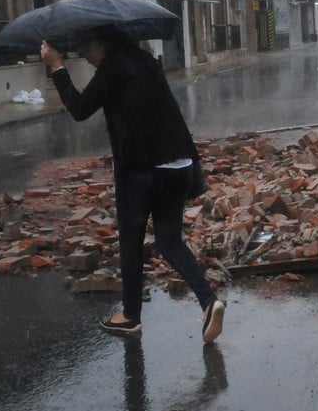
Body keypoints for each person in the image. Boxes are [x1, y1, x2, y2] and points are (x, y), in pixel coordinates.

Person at [40, 26, 225, 343]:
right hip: (178, 164)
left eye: (85, 43)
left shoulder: (114, 65)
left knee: (130, 242)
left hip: (142, 171)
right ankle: (210, 302)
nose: (83, 52)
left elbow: (81, 108)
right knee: (169, 242)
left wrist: (57, 67)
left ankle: (130, 316)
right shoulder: (145, 60)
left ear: (104, 40)